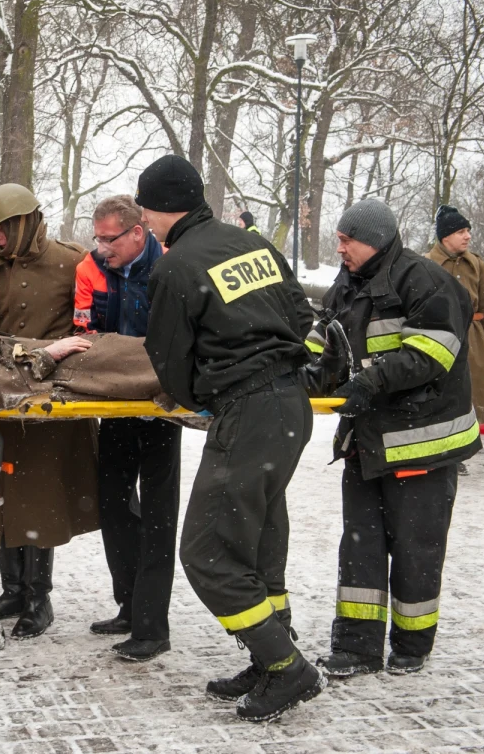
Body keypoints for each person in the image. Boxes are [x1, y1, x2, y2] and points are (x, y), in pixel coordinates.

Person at [140, 155, 321, 723]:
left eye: (146, 209)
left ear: (161, 208)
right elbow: (299, 312)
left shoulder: (176, 265)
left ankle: (285, 665)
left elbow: (169, 361)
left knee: (207, 550)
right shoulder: (252, 244)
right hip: (290, 404)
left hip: (248, 412)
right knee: (258, 539)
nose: (145, 219)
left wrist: (205, 393)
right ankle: (269, 658)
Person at [310, 198, 478, 680]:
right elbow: (326, 342)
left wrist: (369, 382)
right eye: (339, 239)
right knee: (359, 547)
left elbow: (431, 354)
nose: (339, 247)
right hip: (368, 444)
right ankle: (356, 647)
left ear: (377, 239)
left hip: (422, 444)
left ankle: (411, 643)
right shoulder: (348, 283)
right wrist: (299, 372)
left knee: (415, 549)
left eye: (348, 239)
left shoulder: (426, 281)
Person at [0, 183, 99, 640]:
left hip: (51, 404)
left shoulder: (72, 261)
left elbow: (88, 332)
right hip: (3, 397)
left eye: (0, 230)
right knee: (1, 492)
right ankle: (13, 590)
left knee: (40, 499)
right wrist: (32, 352)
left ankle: (38, 596)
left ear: (21, 223)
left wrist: (47, 357)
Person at [73, 195, 180, 663]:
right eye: (96, 238)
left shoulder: (173, 268)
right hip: (114, 405)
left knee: (159, 517)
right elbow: (86, 337)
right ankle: (129, 605)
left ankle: (153, 626)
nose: (100, 249)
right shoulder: (90, 270)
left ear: (138, 232)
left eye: (109, 239)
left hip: (160, 409)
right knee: (113, 505)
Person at [425, 206, 484, 463]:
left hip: (472, 339)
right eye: (461, 231)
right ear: (445, 235)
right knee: (441, 394)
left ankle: (459, 452)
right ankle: (440, 450)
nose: (467, 236)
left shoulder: (476, 264)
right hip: (439, 336)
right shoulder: (426, 264)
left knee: (468, 395)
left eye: (468, 230)